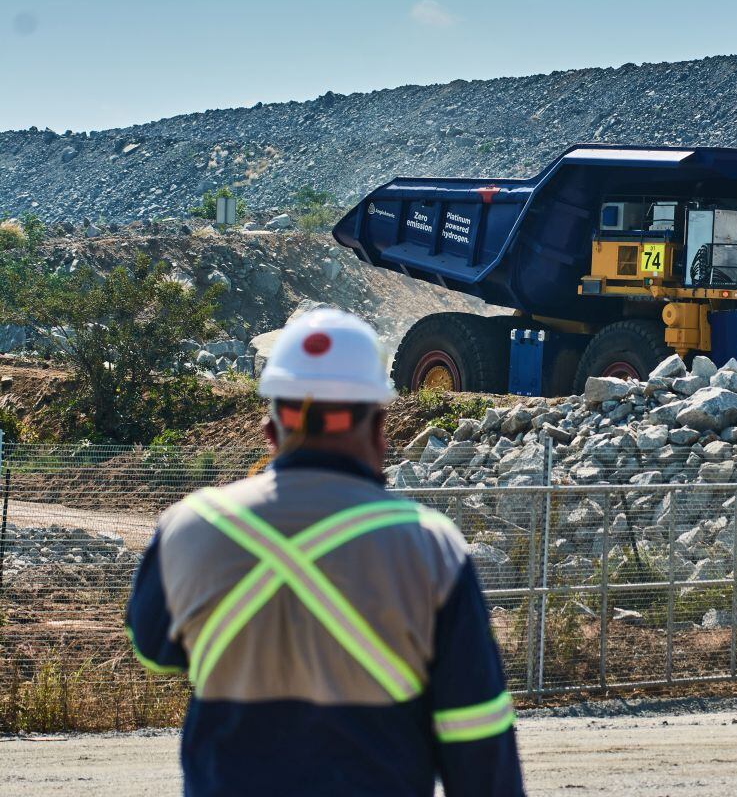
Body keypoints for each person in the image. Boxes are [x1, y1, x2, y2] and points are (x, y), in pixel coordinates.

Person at [125, 308, 525, 796]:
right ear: (379, 428)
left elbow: (155, 652)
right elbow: (477, 738)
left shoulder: (187, 529)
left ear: (272, 430)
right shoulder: (431, 548)